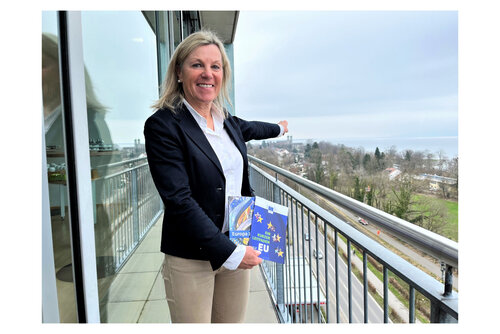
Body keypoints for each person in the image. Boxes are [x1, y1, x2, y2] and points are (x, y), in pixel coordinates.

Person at [144, 30, 288, 323]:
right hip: (191, 256)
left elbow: (254, 129)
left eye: (215, 66)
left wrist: (280, 128)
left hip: (236, 239)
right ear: (179, 72)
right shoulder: (163, 126)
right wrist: (232, 253)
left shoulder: (227, 122)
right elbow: (179, 201)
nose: (207, 73)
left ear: (223, 74)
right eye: (197, 65)